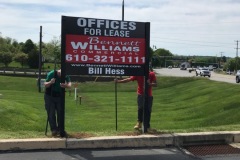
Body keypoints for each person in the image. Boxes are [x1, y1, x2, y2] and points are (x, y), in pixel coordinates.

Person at [44, 69, 71, 136]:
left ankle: (60, 129)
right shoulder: (52, 74)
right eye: (60, 75)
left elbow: (69, 85)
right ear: (58, 72)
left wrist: (66, 85)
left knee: (60, 113)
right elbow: (45, 84)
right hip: (50, 96)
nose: (62, 77)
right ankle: (54, 130)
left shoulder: (65, 75)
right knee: (51, 113)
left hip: (60, 96)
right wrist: (50, 82)